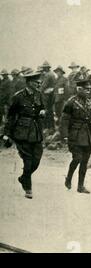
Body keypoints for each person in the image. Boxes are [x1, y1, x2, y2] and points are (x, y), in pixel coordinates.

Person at [3, 70, 45, 199]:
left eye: (40, 82)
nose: (39, 84)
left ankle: (23, 178)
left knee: (36, 160)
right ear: (29, 83)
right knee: (27, 161)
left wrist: (42, 111)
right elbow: (10, 116)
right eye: (36, 82)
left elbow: (41, 108)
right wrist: (6, 134)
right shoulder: (18, 96)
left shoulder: (39, 95)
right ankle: (28, 188)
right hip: (22, 132)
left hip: (36, 132)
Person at [60, 80, 91, 193]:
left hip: (87, 136)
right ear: (79, 89)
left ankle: (80, 186)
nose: (88, 91)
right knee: (77, 158)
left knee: (85, 161)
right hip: (75, 135)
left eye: (89, 89)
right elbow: (65, 120)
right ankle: (69, 177)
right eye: (86, 89)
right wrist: (65, 135)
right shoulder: (71, 102)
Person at [39, 61, 56, 132]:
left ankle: (46, 127)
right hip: (51, 95)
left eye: (44, 68)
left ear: (46, 68)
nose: (43, 69)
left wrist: (38, 91)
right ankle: (51, 127)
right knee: (50, 111)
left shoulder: (48, 75)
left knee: (45, 110)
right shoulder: (52, 74)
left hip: (46, 95)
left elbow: (43, 86)